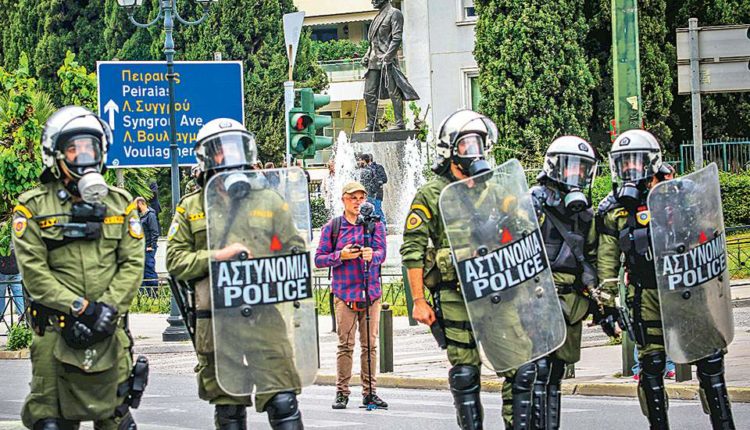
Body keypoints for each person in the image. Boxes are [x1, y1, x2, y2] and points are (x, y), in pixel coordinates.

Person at [12, 105, 145, 430]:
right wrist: (81, 309)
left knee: (116, 421)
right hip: (55, 334)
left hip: (109, 331)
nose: (84, 156)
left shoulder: (120, 203)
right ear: (56, 155)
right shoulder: (32, 208)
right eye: (74, 149)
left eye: (91, 148)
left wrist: (106, 310)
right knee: (51, 422)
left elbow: (132, 264)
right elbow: (34, 274)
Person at [166, 118, 305, 430]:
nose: (229, 156)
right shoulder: (191, 207)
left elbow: (295, 251)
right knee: (229, 407)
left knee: (283, 400)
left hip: (263, 316)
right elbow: (174, 260)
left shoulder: (268, 200)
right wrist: (218, 257)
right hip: (217, 322)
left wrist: (272, 270)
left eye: (236, 148)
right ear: (206, 157)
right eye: (221, 150)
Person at [597, 129, 735, 429]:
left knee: (710, 361)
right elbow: (606, 262)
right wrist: (606, 307)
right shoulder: (613, 209)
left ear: (652, 162)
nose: (630, 168)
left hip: (686, 287)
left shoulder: (680, 194)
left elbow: (707, 232)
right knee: (652, 363)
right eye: (624, 162)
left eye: (636, 161)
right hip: (644, 293)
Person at [401, 109, 506, 429]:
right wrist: (418, 301)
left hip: (496, 289)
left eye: (479, 143)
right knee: (465, 371)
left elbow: (517, 231)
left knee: (522, 367)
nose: (474, 150)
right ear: (450, 149)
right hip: (454, 294)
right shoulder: (432, 193)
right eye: (466, 144)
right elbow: (412, 249)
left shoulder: (493, 189)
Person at [520, 136, 618, 429]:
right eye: (570, 167)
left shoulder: (584, 215)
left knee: (555, 373)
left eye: (582, 169)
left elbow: (592, 258)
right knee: (536, 369)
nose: (576, 174)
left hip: (570, 304)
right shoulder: (531, 204)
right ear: (554, 167)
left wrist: (605, 306)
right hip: (536, 298)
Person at [315, 182, 388, 410]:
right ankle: (342, 392)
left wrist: (372, 255)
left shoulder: (375, 225)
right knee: (345, 345)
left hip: (371, 293)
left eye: (360, 198)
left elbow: (382, 253)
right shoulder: (333, 227)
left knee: (370, 346)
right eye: (352, 198)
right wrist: (341, 255)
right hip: (344, 293)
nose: (357, 202)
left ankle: (370, 392)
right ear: (343, 200)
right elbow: (319, 259)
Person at [360, 0, 419, 132]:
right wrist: (367, 55)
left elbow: (397, 38)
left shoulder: (394, 13)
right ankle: (372, 124)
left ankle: (399, 123)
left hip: (387, 61)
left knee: (394, 91)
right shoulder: (377, 17)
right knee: (369, 93)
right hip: (373, 61)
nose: (372, 1)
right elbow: (373, 42)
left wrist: (388, 56)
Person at [136, 196, 161, 294]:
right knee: (141, 271)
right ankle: (143, 295)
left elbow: (154, 232)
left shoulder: (150, 215)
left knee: (149, 270)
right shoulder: (141, 216)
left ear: (140, 203)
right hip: (142, 248)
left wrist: (151, 246)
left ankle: (153, 294)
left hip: (148, 248)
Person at [0, 241, 25, 320]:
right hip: (16, 271)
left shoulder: (2, 240)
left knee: (1, 295)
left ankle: (1, 315)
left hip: (3, 273)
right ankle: (21, 314)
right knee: (18, 293)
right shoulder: (15, 239)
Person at [363, 154, 388, 228]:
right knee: (369, 211)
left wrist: (375, 184)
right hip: (367, 194)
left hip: (377, 193)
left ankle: (383, 227)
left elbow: (384, 179)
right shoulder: (364, 169)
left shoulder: (378, 167)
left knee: (377, 210)